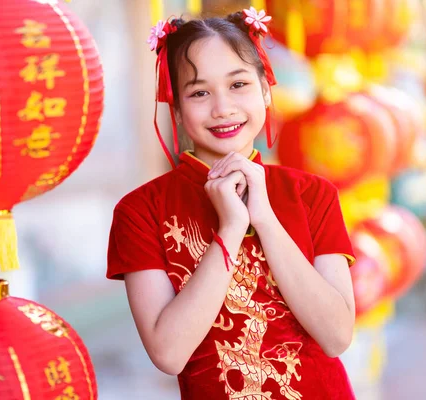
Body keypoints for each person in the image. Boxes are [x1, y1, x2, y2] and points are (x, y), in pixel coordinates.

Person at [107, 7, 357, 399]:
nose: (222, 108)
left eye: (238, 84)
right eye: (200, 92)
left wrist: (265, 218)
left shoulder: (313, 194)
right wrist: (230, 228)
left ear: (265, 89)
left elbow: (337, 335)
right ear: (175, 107)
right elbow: (169, 353)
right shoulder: (140, 211)